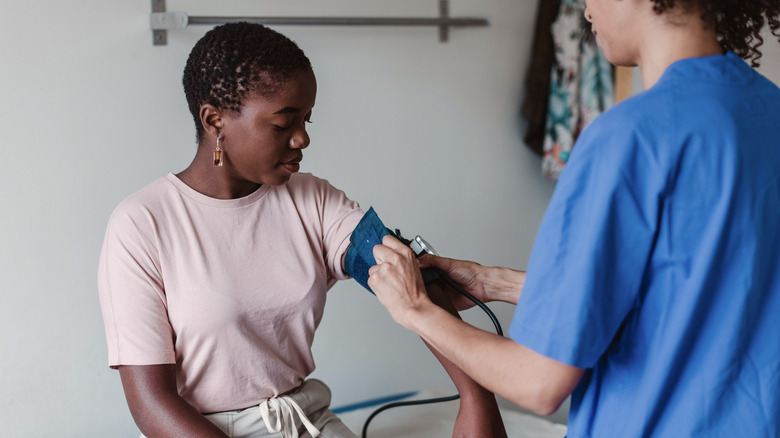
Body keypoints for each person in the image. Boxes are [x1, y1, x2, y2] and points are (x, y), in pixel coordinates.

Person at [368, 0, 780, 436]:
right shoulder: (766, 109)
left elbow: (539, 382)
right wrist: (494, 283)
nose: (585, 11)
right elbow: (693, 293)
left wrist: (414, 310)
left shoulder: (628, 140)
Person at [97, 23, 506, 438]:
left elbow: (406, 276)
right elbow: (151, 403)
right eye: (282, 124)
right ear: (214, 120)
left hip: (306, 419)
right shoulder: (142, 223)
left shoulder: (312, 199)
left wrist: (476, 399)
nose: (302, 139)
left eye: (307, 119)